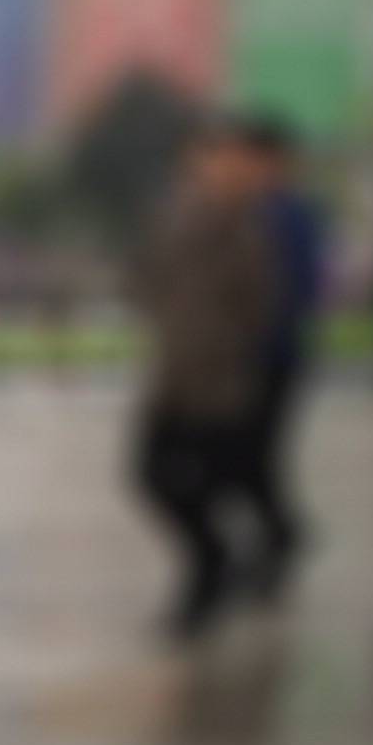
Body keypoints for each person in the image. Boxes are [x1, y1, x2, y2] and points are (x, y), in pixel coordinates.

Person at [133, 119, 289, 638]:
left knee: (212, 483)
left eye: (224, 161)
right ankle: (215, 560)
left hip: (217, 383)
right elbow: (146, 278)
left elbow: (258, 307)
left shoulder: (244, 231)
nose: (212, 171)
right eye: (204, 160)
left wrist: (228, 350)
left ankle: (208, 579)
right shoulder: (174, 218)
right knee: (150, 476)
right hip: (172, 374)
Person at [237, 113, 330, 599]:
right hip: (246, 358)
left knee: (258, 458)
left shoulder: (292, 215)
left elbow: (301, 290)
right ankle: (278, 541)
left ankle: (281, 540)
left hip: (276, 356)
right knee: (248, 460)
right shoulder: (245, 210)